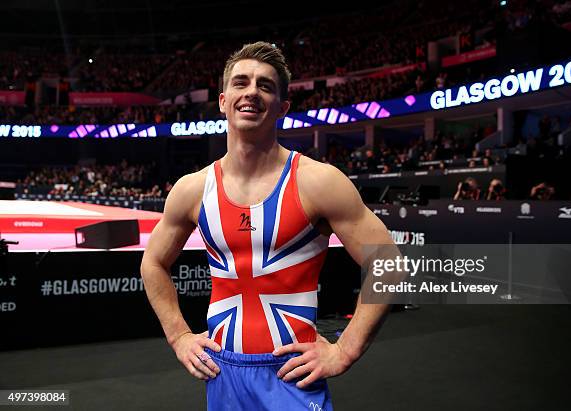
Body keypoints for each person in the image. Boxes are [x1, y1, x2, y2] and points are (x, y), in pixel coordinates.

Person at [140, 42, 392, 410]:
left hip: (291, 376)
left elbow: (390, 262)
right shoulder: (192, 190)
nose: (251, 92)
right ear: (224, 101)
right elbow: (152, 263)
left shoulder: (316, 182)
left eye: (265, 85)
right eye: (241, 83)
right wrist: (179, 336)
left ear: (283, 108)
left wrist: (346, 349)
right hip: (221, 373)